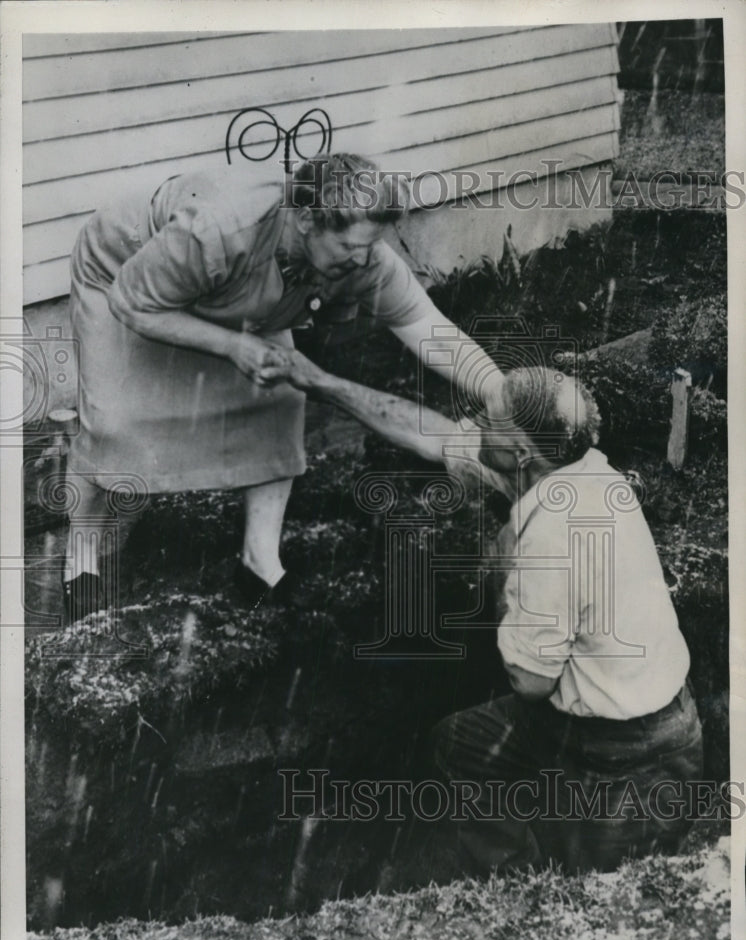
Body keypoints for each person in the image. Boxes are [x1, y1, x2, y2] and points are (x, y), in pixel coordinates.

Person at [279, 349, 703, 874]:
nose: (473, 421)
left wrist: (504, 567)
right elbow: (422, 429)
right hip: (603, 718)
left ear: (520, 451)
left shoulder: (556, 537)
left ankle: (530, 886)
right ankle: (513, 867)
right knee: (461, 746)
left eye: (487, 419)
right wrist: (320, 379)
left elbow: (530, 682)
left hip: (632, 753)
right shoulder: (570, 463)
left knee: (598, 882)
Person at [62, 153, 498, 622]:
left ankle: (259, 563)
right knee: (114, 424)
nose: (365, 259)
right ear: (308, 219)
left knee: (279, 399)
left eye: (372, 246)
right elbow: (132, 303)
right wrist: (233, 346)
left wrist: (507, 394)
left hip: (239, 287)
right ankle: (81, 556)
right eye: (352, 247)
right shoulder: (220, 227)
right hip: (123, 273)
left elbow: (430, 329)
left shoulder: (359, 252)